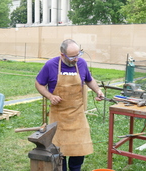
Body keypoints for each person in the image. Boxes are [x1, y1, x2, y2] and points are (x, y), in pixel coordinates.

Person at [35, 39, 104, 171]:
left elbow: (89, 79)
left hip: (77, 115)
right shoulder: (51, 65)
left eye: (78, 55)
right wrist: (50, 96)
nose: (76, 59)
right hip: (58, 116)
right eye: (72, 56)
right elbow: (38, 83)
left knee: (79, 149)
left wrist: (98, 90)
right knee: (60, 151)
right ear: (62, 55)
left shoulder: (82, 63)